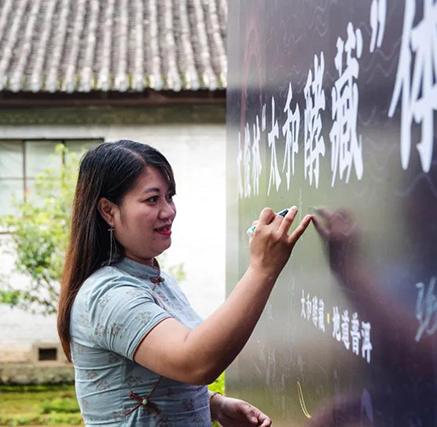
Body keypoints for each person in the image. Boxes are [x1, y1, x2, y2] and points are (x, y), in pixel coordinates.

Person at [57, 140, 312, 426]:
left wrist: (213, 403)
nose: (168, 211)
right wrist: (262, 268)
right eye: (152, 199)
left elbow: (158, 372)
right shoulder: (108, 294)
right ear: (108, 210)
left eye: (170, 196)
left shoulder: (156, 279)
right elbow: (194, 362)